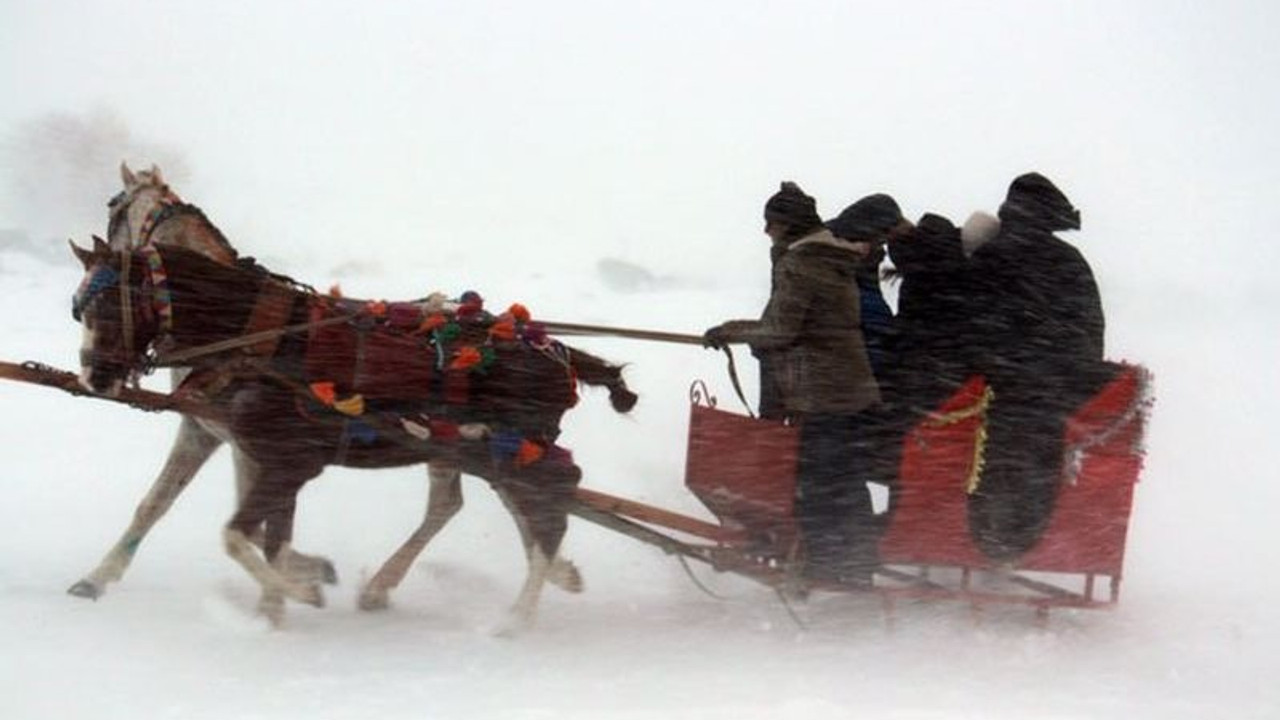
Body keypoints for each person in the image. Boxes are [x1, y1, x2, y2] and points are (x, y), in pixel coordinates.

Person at [703, 181, 881, 586]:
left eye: (770, 224)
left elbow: (780, 330)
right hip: (849, 388)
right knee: (845, 481)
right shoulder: (833, 258)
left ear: (785, 225)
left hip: (821, 393)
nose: (766, 231)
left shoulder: (800, 264)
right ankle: (856, 564)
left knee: (816, 483)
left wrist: (728, 332)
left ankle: (831, 568)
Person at [964, 172, 1110, 559]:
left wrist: (987, 367)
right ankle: (1017, 542)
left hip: (1006, 384)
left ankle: (994, 542)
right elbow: (1090, 327)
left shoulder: (994, 255)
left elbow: (974, 321)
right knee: (1037, 463)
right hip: (1056, 385)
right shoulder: (1069, 260)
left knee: (995, 462)